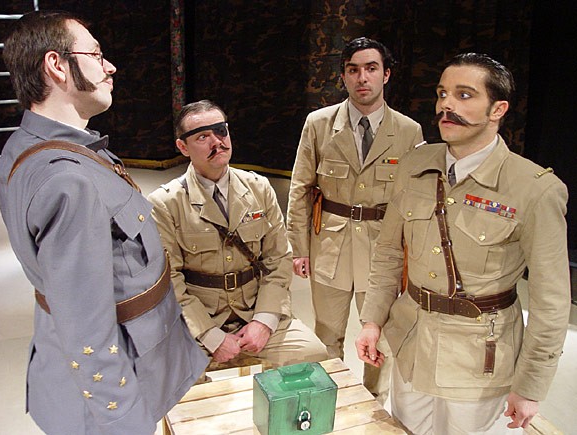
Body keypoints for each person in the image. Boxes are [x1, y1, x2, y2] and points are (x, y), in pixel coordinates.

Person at [0, 11, 208, 435]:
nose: (109, 67)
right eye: (95, 55)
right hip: (120, 383)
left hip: (79, 359)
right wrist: (125, 423)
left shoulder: (23, 147)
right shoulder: (69, 180)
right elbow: (88, 332)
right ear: (57, 65)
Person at [356, 53, 570, 434]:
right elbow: (388, 252)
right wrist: (373, 320)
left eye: (464, 95)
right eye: (442, 94)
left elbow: (550, 301)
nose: (446, 105)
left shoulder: (534, 190)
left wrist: (530, 385)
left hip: (477, 362)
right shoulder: (414, 165)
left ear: (497, 109)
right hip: (411, 344)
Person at [286, 37, 423, 403]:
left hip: (382, 250)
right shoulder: (319, 124)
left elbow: (415, 201)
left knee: (380, 335)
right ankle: (327, 401)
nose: (363, 78)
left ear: (386, 74)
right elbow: (301, 188)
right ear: (344, 76)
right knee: (327, 333)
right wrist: (299, 248)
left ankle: (374, 402)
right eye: (353, 70)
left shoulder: (408, 131)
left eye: (371, 68)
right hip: (329, 245)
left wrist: (413, 257)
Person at [148, 100, 327, 368]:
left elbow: (278, 260)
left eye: (221, 131)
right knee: (175, 376)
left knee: (312, 354)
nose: (216, 142)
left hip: (254, 310)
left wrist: (264, 321)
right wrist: (210, 336)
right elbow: (169, 281)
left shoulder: (258, 188)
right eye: (202, 137)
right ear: (183, 147)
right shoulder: (165, 203)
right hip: (200, 322)